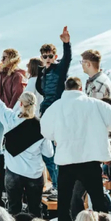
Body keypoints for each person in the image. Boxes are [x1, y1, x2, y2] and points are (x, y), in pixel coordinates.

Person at [40, 76, 111, 221]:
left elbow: (45, 131)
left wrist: (57, 135)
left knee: (64, 200)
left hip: (66, 160)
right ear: (80, 88)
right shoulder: (95, 104)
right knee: (98, 199)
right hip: (90, 160)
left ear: (66, 89)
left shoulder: (56, 107)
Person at [0, 59, 53, 217]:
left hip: (13, 173)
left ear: (21, 104)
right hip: (34, 174)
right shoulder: (41, 127)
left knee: (13, 210)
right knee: (35, 211)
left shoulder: (10, 118)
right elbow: (49, 153)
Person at [37, 27, 73, 188]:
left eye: (50, 56)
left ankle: (60, 186)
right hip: (46, 114)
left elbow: (68, 59)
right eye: (45, 56)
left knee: (58, 151)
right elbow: (40, 89)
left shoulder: (60, 69)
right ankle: (55, 183)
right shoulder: (42, 72)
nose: (48, 58)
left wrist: (67, 44)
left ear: (55, 56)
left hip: (58, 113)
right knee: (47, 152)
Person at [0, 44, 27, 151]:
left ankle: (7, 165)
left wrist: (8, 113)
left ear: (11, 58)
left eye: (4, 57)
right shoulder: (3, 71)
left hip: (11, 114)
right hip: (1, 111)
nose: (1, 59)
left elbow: (17, 96)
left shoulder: (18, 76)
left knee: (10, 141)